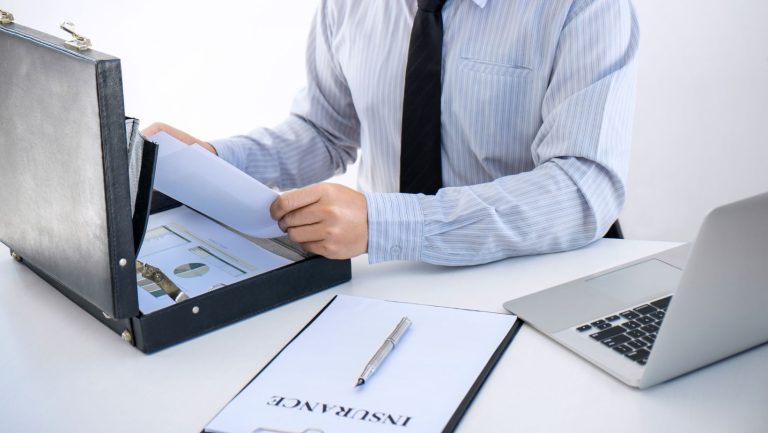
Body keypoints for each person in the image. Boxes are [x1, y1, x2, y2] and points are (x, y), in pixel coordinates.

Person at [145, 0, 639, 266]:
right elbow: (324, 131)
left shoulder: (586, 5)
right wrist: (212, 160)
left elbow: (582, 188)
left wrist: (389, 224)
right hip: (386, 272)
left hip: (529, 272)